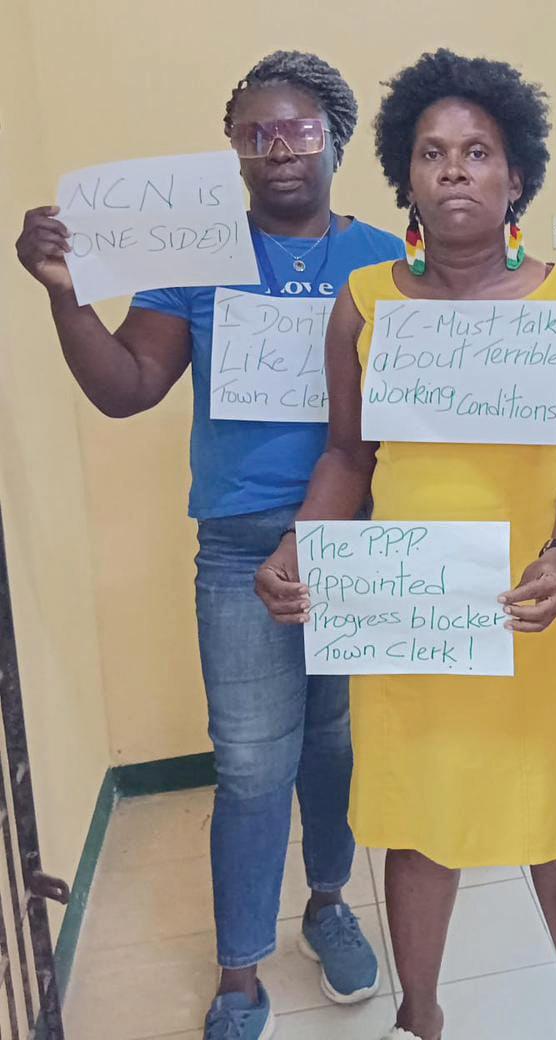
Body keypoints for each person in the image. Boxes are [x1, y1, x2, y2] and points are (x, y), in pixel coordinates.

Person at [14, 50, 401, 1040]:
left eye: (298, 129)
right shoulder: (194, 260)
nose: (279, 148)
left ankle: (326, 903)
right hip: (238, 547)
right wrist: (65, 294)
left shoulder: (384, 260)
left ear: (336, 138)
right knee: (251, 762)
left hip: (358, 540)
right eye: (254, 133)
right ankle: (239, 971)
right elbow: (128, 387)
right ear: (234, 149)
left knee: (334, 741)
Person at [254, 49, 556, 1040]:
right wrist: (300, 545)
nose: (454, 168)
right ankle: (420, 1016)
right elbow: (348, 455)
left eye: (477, 151)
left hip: (534, 599)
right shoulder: (365, 301)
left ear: (516, 174)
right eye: (431, 152)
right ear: (404, 176)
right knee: (416, 817)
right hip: (412, 606)